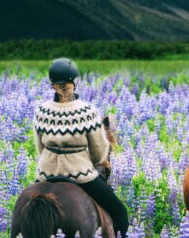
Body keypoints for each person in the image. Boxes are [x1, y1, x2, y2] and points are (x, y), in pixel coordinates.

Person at [33, 58, 130, 234]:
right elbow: (100, 153)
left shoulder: (42, 111)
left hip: (45, 173)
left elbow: (40, 148)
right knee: (120, 212)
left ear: (52, 83)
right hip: (80, 174)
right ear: (74, 82)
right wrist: (85, 160)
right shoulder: (86, 112)